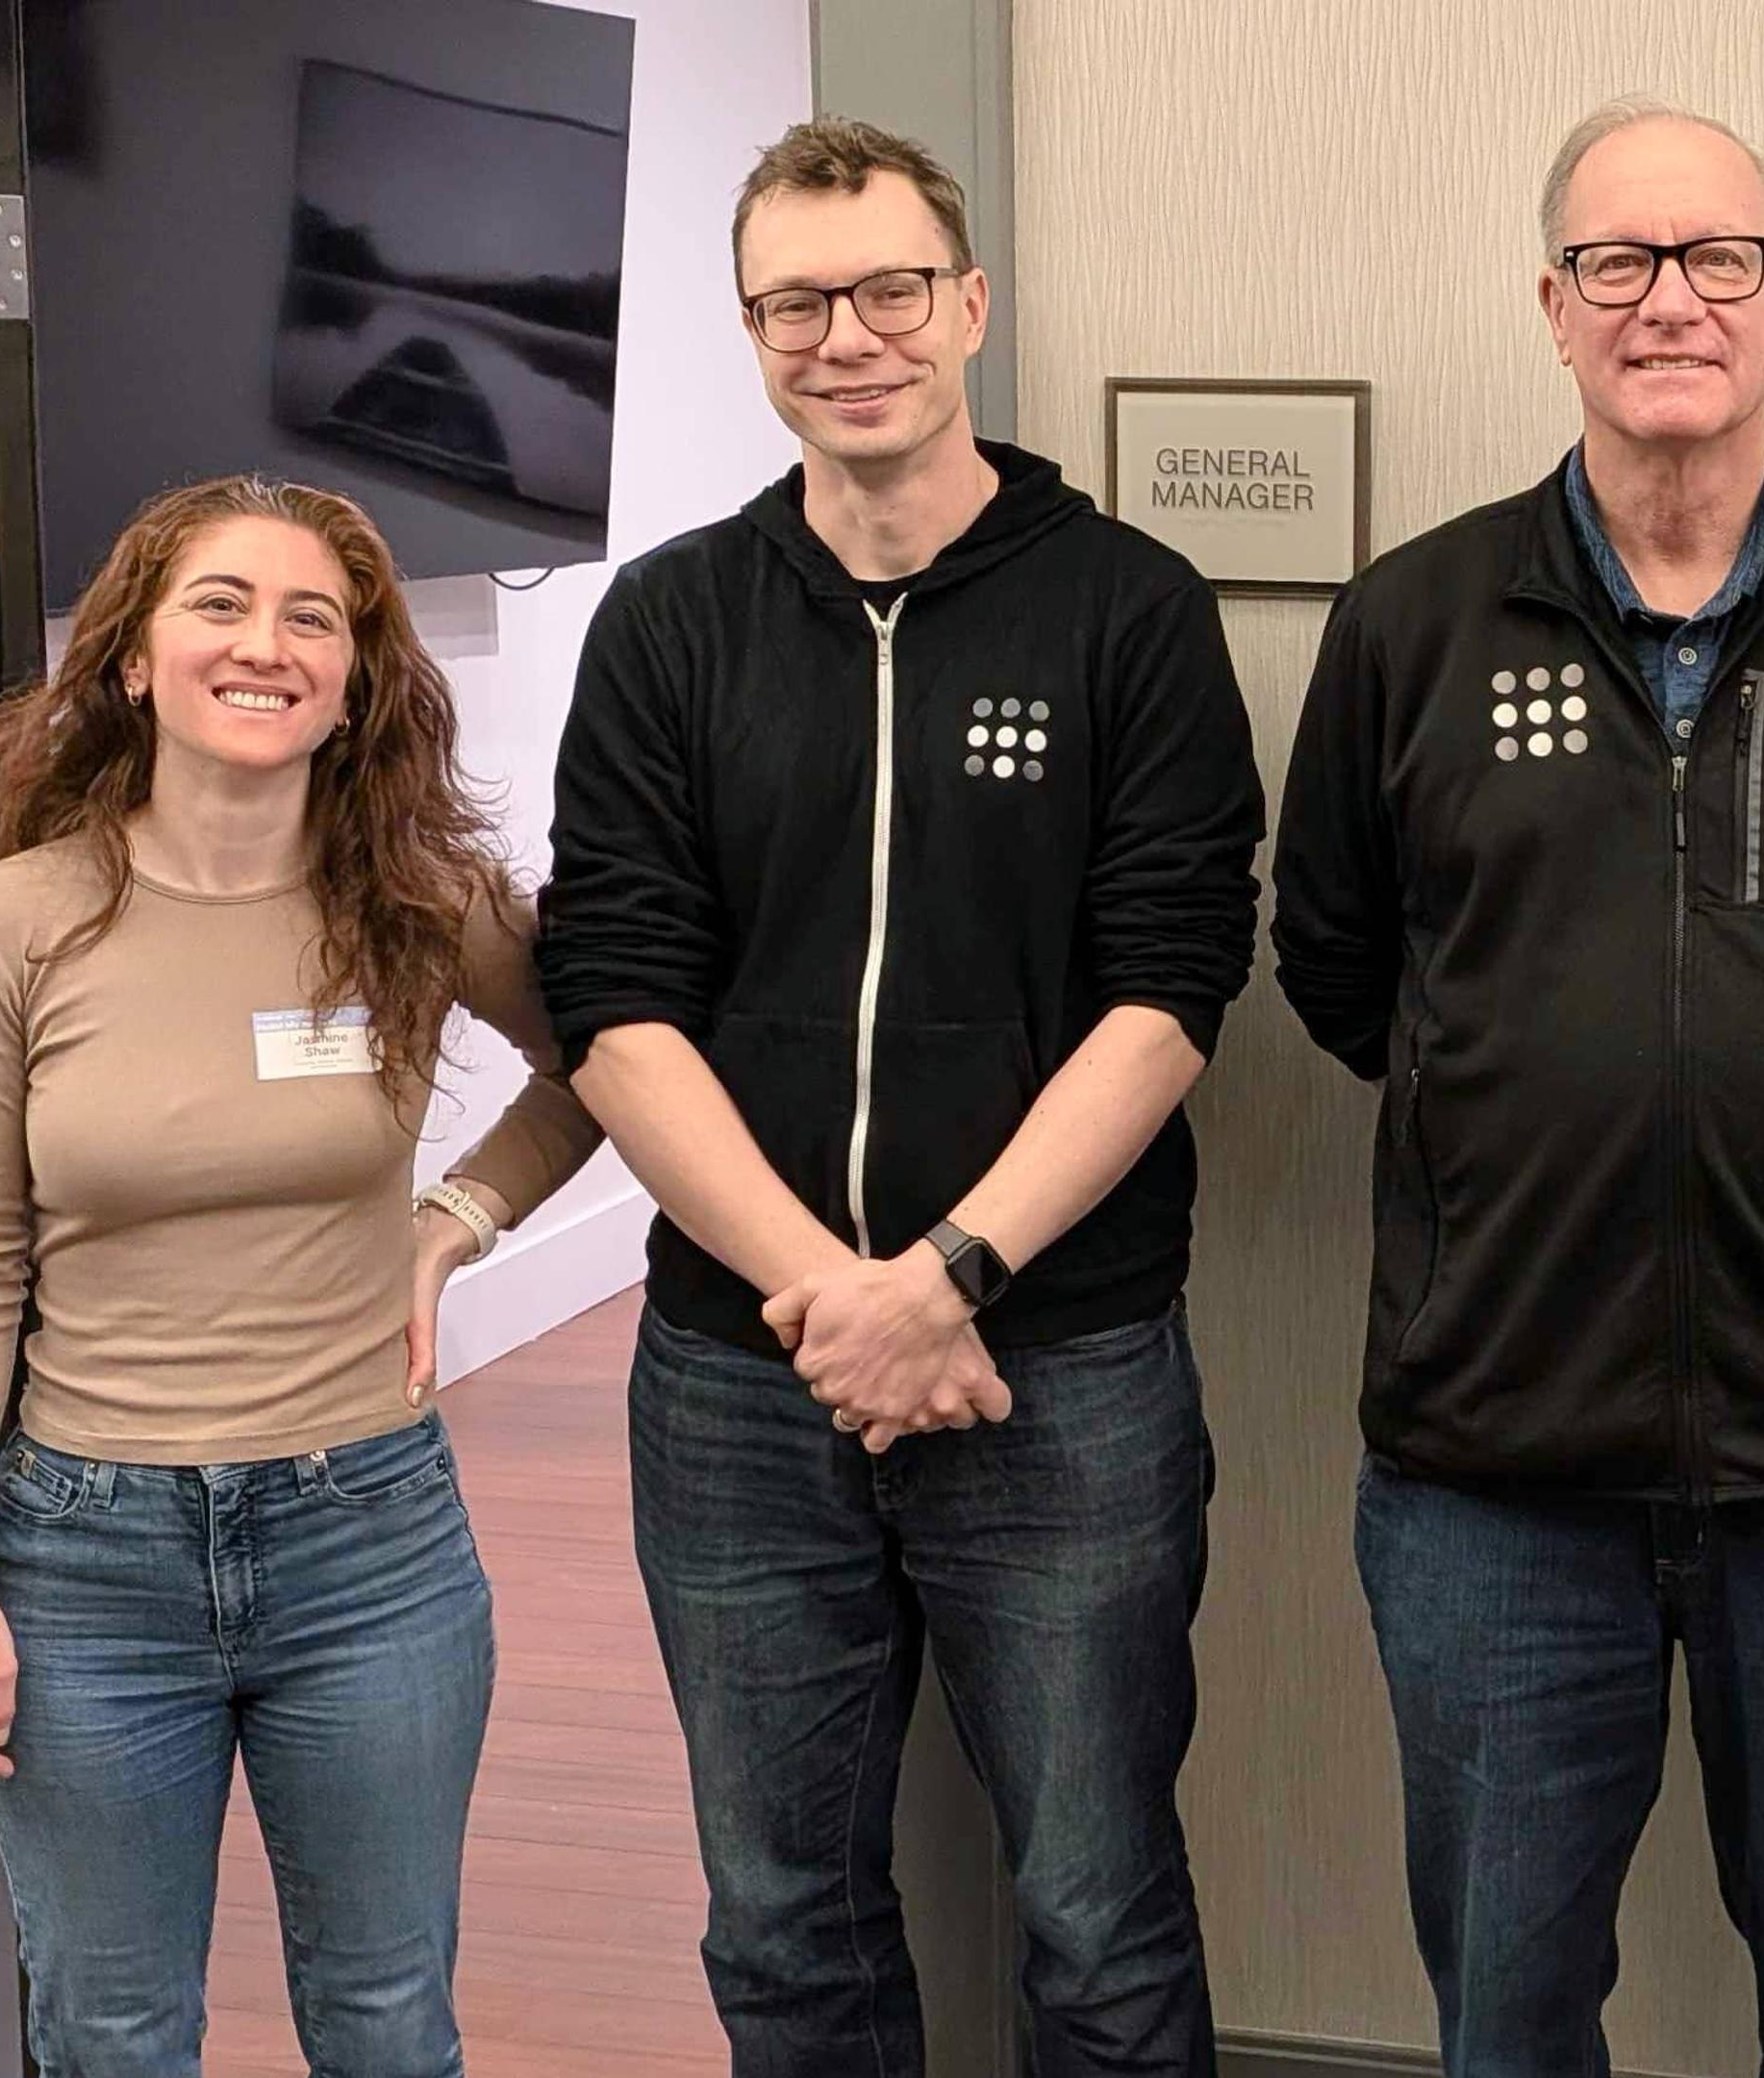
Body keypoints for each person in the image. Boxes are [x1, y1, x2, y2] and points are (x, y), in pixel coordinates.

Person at [1269, 98, 1764, 2075]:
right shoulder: (1414, 621)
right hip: (1490, 1474)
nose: (1670, 302)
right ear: (1554, 308)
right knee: (1507, 2013)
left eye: (1717, 258)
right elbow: (1344, 971)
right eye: (1619, 263)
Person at [534, 116, 1263, 2073]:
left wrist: (944, 1273)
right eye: (795, 300)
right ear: (751, 325)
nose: (843, 336)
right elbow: (611, 996)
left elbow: (1173, 985)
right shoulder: (673, 624)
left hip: (1063, 1368)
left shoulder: (1129, 609)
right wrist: (824, 1298)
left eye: (884, 290)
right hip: (737, 1387)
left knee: (1101, 1921)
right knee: (778, 1924)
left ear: (968, 306)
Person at [0, 473, 603, 2074]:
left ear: (354, 681)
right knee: (113, 2028)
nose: (263, 644)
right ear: (135, 656)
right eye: (218, 603)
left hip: (370, 1547)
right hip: (85, 1561)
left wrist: (459, 1221)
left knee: (382, 2018)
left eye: (313, 618)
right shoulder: (10, 925)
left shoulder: (421, 908)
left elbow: (600, 1078)